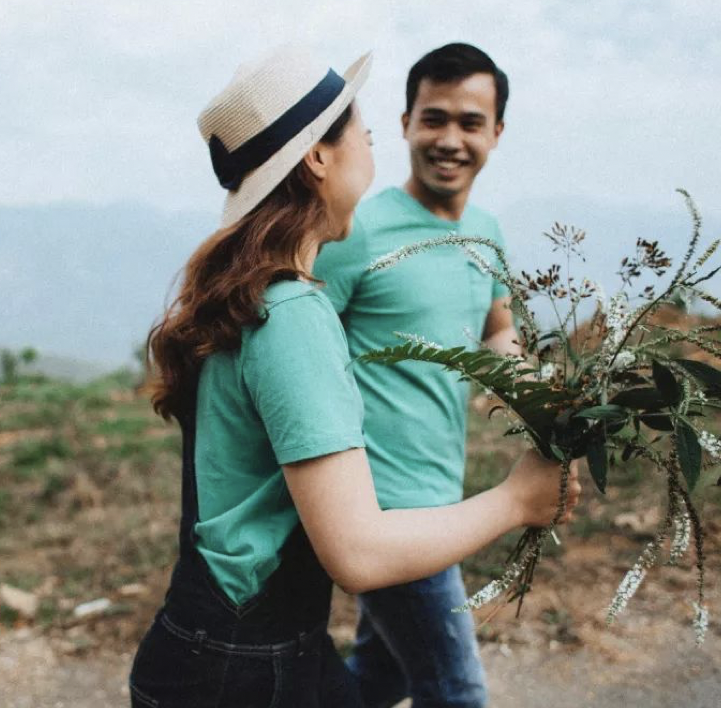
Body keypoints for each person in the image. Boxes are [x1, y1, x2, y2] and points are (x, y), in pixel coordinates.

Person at [129, 46, 578, 707]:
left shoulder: (264, 297)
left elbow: (494, 330)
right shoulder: (293, 314)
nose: (372, 149)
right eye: (363, 133)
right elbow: (359, 554)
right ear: (319, 157)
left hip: (248, 648)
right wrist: (517, 501)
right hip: (240, 669)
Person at [312, 43, 518, 708]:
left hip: (441, 505)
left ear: (496, 133)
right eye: (434, 119)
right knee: (456, 693)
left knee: (381, 677)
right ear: (404, 124)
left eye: (469, 121)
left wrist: (545, 398)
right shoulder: (358, 231)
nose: (450, 139)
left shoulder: (486, 234)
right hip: (382, 512)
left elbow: (496, 329)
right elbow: (302, 346)